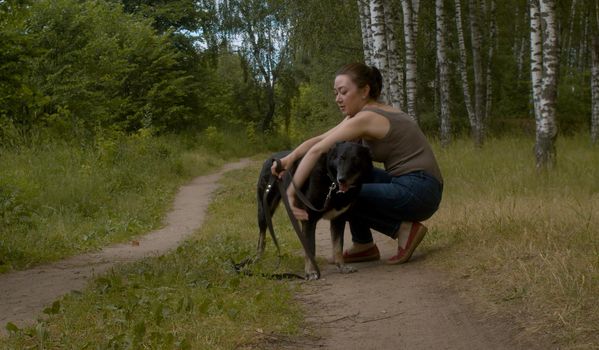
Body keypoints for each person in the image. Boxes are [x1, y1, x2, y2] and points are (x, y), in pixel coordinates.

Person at [271, 62, 443, 264]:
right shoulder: (364, 114)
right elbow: (320, 140)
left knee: (344, 193)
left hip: (419, 190)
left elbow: (318, 150)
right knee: (348, 179)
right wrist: (288, 160)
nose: (338, 99)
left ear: (364, 91)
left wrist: (291, 193)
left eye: (343, 92)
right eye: (335, 93)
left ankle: (403, 230)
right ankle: (364, 245)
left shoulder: (367, 118)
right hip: (417, 184)